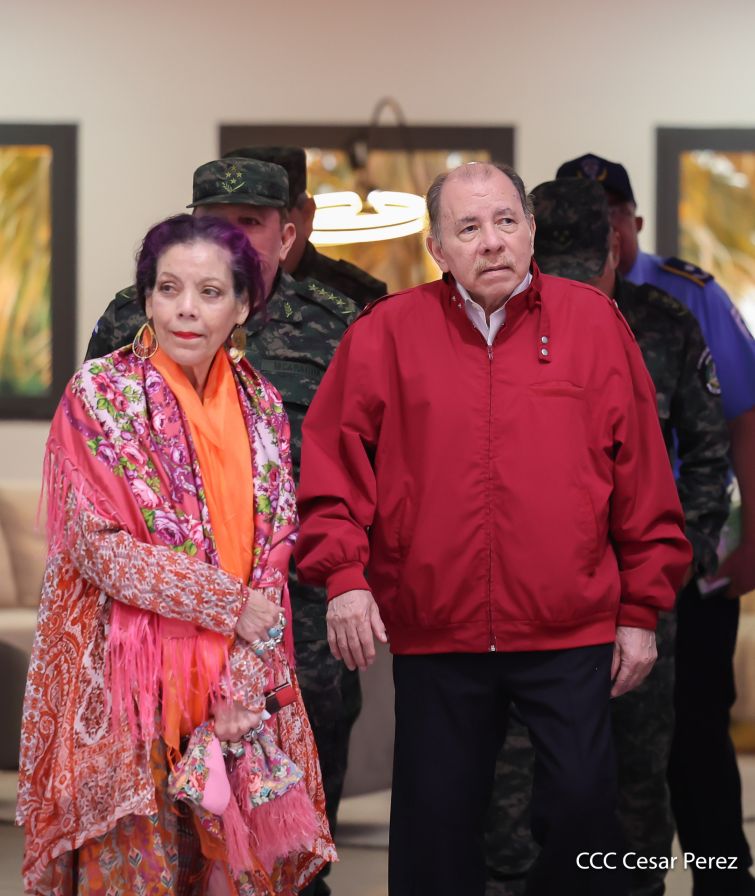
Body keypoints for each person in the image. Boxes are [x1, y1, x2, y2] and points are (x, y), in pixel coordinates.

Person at [293, 161, 692, 896]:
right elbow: (330, 468)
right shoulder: (386, 332)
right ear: (437, 248)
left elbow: (642, 480)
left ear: (530, 231)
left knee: (582, 812)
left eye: (506, 221)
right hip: (435, 627)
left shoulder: (593, 324)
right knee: (434, 830)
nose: (492, 242)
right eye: (468, 228)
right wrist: (345, 579)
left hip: (568, 626)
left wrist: (639, 610)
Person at [17, 214, 335, 895]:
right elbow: (102, 550)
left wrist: (241, 685)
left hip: (234, 692)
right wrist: (230, 606)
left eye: (210, 292)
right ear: (148, 298)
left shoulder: (261, 406)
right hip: (123, 693)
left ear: (244, 304)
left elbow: (276, 547)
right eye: (169, 288)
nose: (187, 309)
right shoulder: (99, 396)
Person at [84, 155, 360, 896]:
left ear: (286, 231)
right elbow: (104, 470)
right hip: (159, 626)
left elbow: (360, 471)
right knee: (165, 824)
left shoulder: (334, 327)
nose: (231, 237)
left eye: (250, 223)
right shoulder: (125, 324)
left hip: (288, 614)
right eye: (214, 222)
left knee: (287, 814)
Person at [484, 178, 731, 896]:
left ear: (611, 257)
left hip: (636, 597)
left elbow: (707, 455)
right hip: (529, 602)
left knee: (636, 776)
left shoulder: (662, 322)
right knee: (513, 781)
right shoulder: (488, 329)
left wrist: (676, 566)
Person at [558, 152, 755, 896]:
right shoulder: (529, 303)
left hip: (679, 564)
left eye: (610, 215)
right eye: (581, 216)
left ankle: (721, 878)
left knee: (694, 738)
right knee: (588, 754)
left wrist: (742, 544)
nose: (598, 232)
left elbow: (737, 424)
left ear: (633, 221)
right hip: (576, 576)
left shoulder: (680, 302)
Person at [223, 145, 387, 307]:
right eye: (223, 222)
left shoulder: (355, 297)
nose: (237, 236)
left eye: (252, 221)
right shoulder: (211, 285)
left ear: (307, 214)